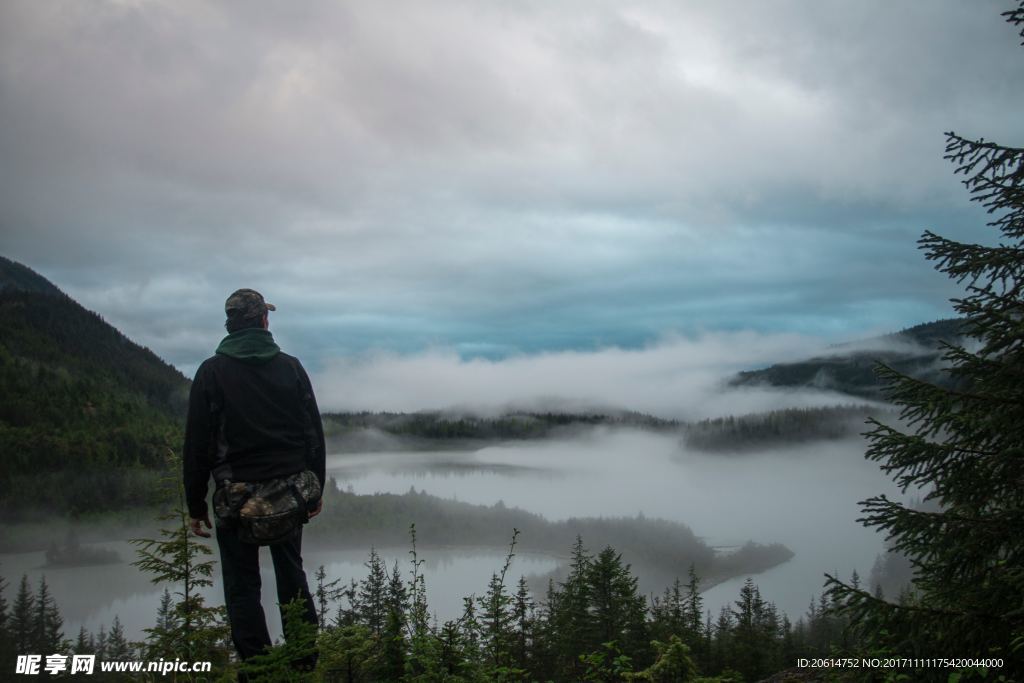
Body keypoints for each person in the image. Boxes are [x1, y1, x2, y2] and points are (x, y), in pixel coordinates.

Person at [183, 288, 325, 669]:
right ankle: (304, 663)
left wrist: (195, 504)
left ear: (231, 324)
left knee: (242, 585)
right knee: (291, 573)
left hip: (236, 499)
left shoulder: (211, 372)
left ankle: (259, 669)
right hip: (288, 494)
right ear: (264, 320)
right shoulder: (290, 367)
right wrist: (315, 492)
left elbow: (197, 444)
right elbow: (313, 433)